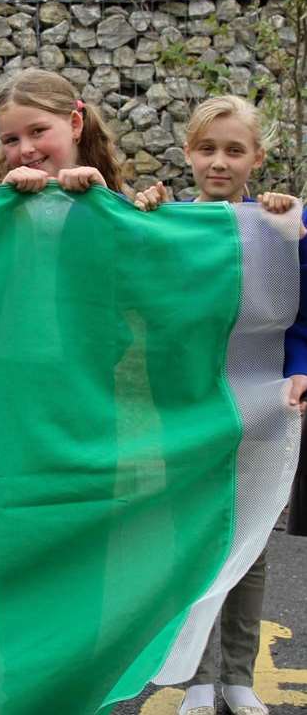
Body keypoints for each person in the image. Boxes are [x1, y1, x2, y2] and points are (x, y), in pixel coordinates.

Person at [134, 95, 303, 715]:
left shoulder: (281, 225)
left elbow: (301, 312)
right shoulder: (171, 221)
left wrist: (302, 370)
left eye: (235, 150)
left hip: (261, 406)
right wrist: (147, 213)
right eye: (208, 149)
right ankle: (199, 678)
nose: (220, 162)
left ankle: (240, 676)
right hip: (190, 410)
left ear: (257, 158)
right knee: (197, 545)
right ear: (187, 154)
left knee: (251, 545)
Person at [0, 67, 127, 195]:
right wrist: (4, 201)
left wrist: (102, 200)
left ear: (75, 125)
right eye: (11, 140)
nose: (25, 150)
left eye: (38, 131)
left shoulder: (114, 198)